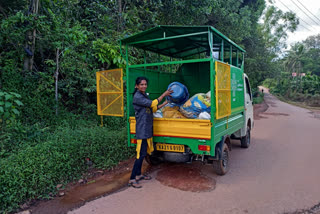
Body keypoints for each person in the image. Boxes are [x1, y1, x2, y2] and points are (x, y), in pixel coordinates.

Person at [128, 76, 173, 188]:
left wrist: (165, 103)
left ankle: (138, 175)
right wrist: (164, 94)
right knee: (139, 155)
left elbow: (153, 108)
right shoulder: (137, 97)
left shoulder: (143, 95)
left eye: (145, 84)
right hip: (142, 130)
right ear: (136, 86)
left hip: (147, 129)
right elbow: (153, 104)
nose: (144, 86)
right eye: (141, 84)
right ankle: (132, 179)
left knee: (143, 153)